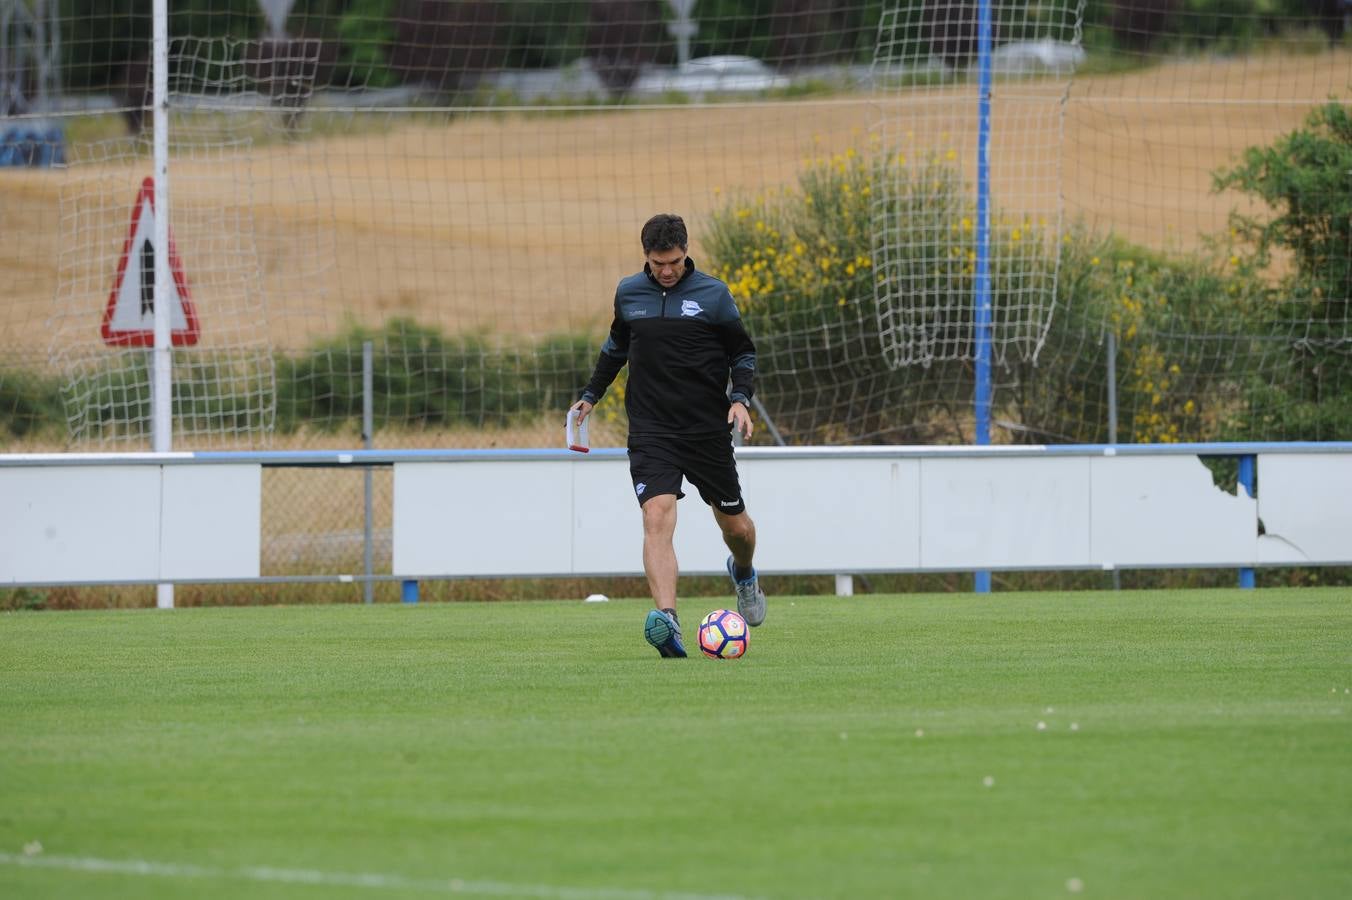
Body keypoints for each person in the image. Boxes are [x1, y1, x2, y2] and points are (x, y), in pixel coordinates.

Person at [570, 213, 766, 658]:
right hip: (651, 429)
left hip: (705, 431)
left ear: (685, 252)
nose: (666, 270)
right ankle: (668, 622)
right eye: (658, 263)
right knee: (656, 517)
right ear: (646, 257)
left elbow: (743, 351)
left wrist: (740, 399)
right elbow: (615, 349)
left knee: (737, 528)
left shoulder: (713, 295)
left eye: (674, 262)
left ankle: (745, 573)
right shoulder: (629, 293)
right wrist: (590, 396)